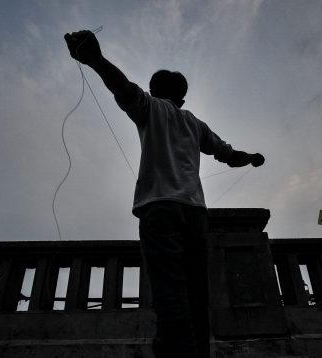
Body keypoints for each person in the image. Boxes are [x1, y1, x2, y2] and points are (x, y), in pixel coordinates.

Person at [64, 30, 265, 358]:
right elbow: (228, 154)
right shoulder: (194, 123)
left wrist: (96, 61)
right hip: (196, 215)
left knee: (171, 296)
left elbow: (124, 89)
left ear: (154, 91)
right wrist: (252, 158)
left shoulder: (148, 106)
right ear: (182, 99)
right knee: (196, 296)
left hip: (161, 211)